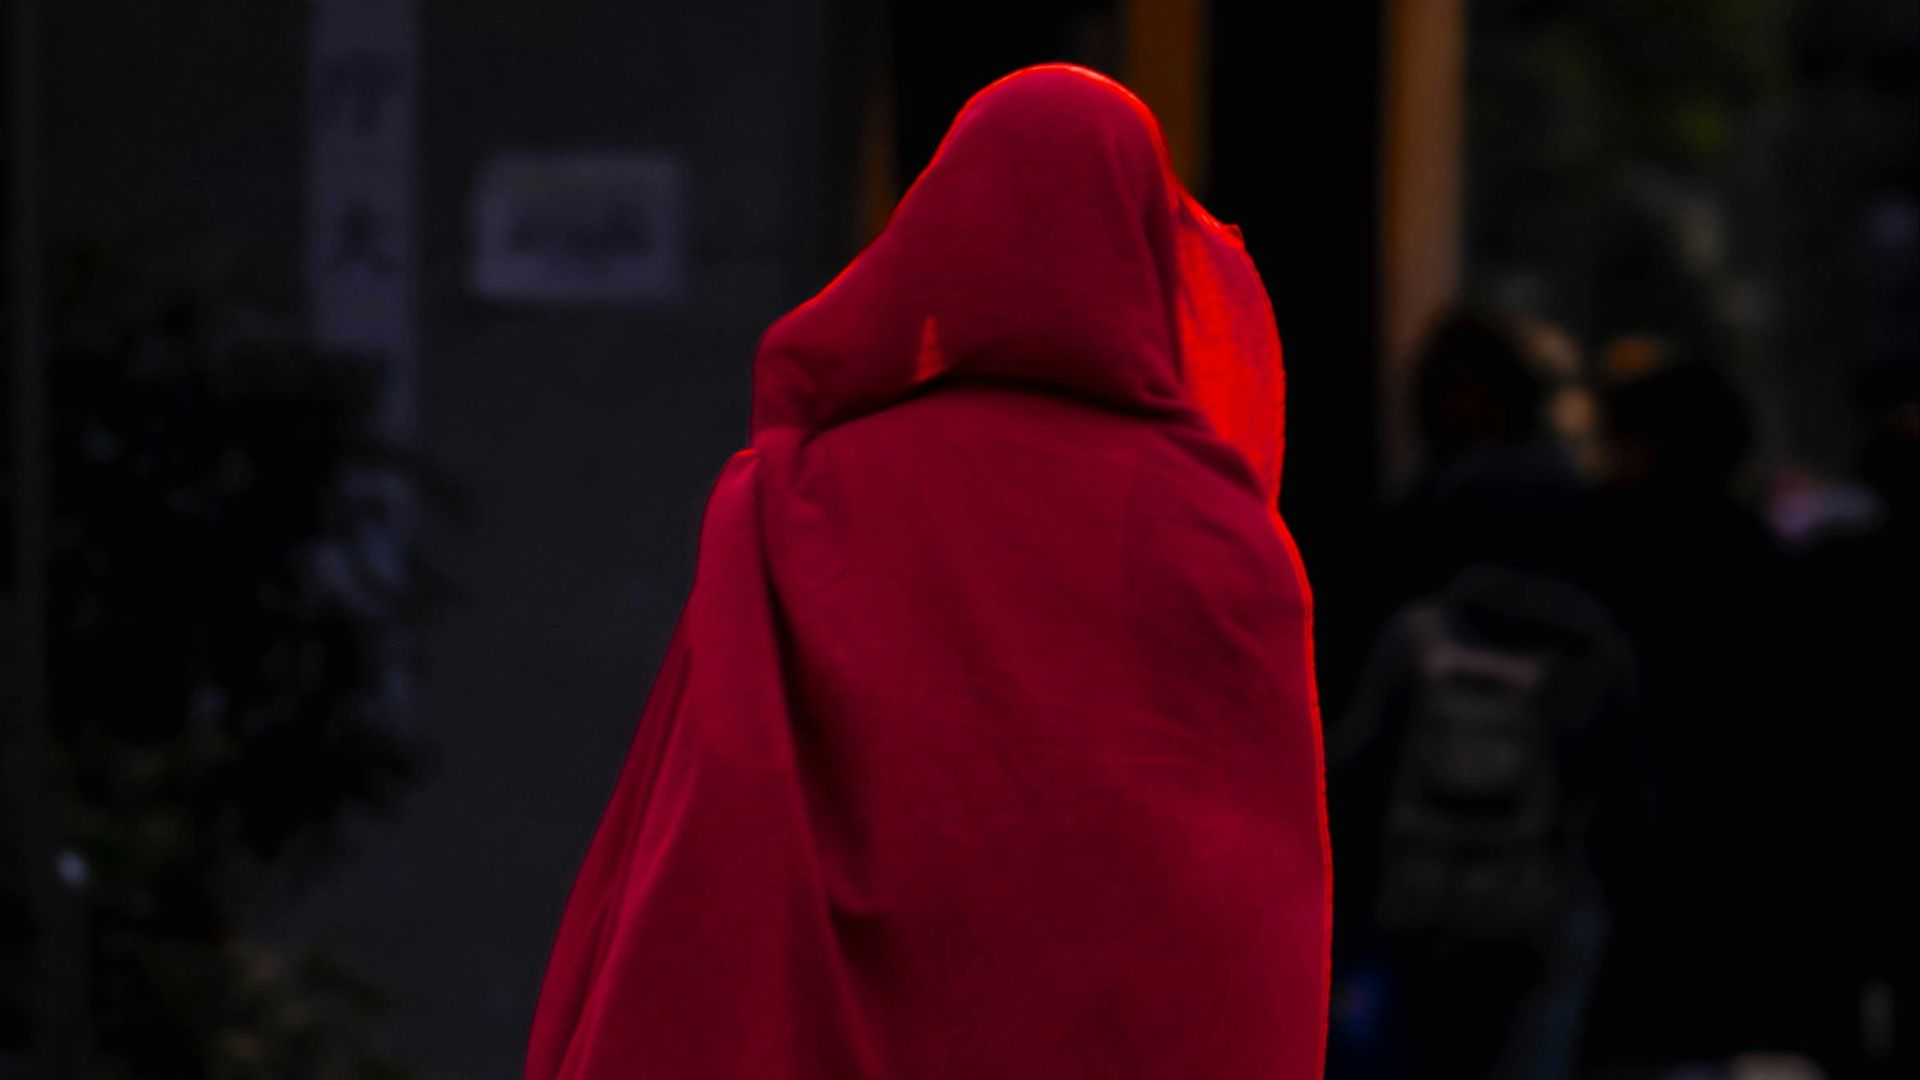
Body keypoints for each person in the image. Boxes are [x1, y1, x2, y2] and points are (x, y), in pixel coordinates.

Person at [525, 65, 1330, 1079]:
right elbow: (1239, 928)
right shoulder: (1212, 530)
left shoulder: (801, 495)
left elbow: (709, 839)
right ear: (1144, 244)